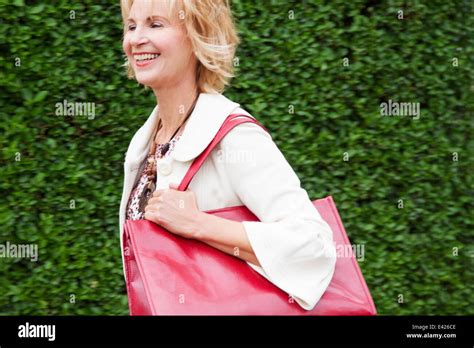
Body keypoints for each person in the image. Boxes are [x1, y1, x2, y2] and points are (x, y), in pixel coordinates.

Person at [119, 0, 336, 310]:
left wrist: (198, 224)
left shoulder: (234, 137)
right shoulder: (145, 144)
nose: (136, 38)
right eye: (131, 25)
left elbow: (315, 245)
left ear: (197, 36)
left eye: (155, 24)